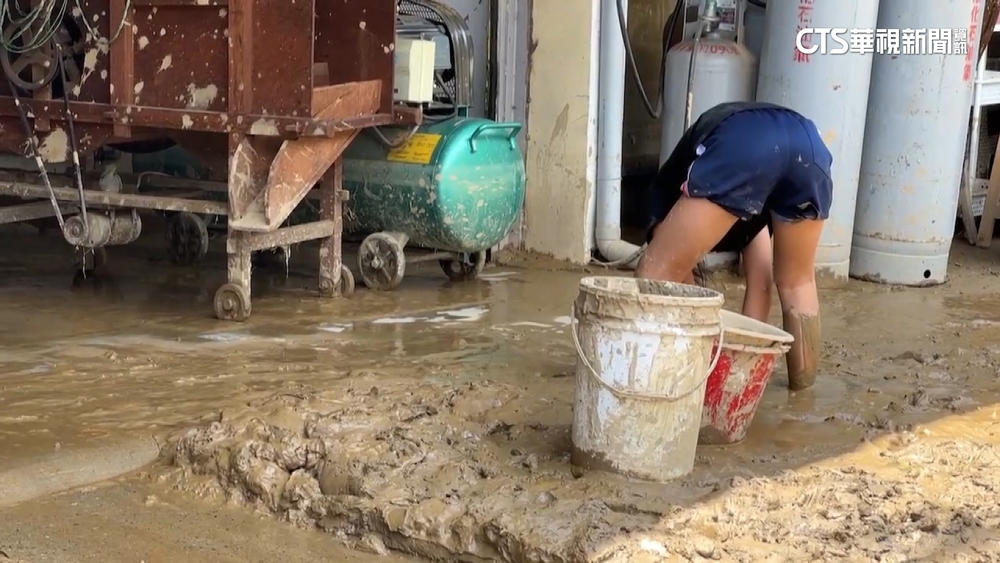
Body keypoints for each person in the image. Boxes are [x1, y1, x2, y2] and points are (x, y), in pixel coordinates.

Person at [637, 101, 832, 391]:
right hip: (808, 143)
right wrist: (739, 369)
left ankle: (664, 381)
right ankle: (802, 394)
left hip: (745, 143)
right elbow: (760, 284)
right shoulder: (743, 210)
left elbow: (673, 283)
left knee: (652, 275)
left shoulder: (662, 200)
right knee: (797, 284)